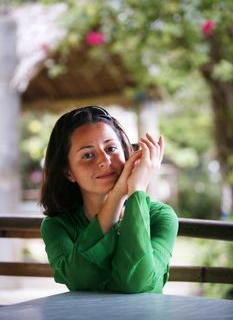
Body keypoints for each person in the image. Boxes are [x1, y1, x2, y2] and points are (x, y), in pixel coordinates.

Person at [40, 105, 178, 293]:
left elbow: (136, 282)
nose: (105, 160)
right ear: (68, 172)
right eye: (88, 155)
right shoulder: (57, 226)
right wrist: (118, 194)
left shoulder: (161, 217)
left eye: (111, 148)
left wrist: (136, 189)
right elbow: (79, 279)